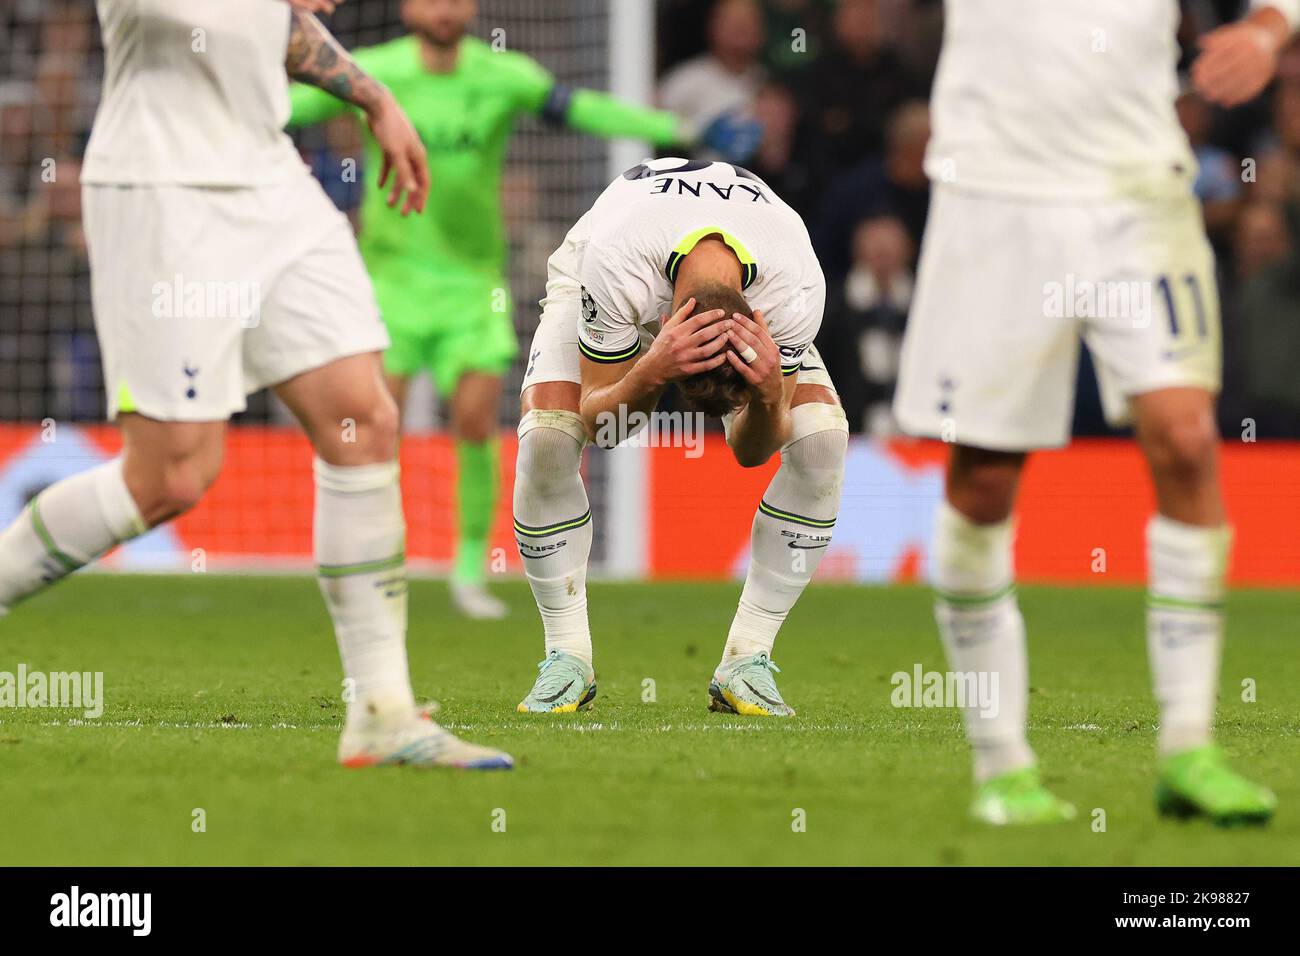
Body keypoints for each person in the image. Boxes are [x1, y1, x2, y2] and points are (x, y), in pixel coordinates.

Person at [0, 0, 511, 771]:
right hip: (161, 188)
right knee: (170, 477)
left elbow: (272, 28)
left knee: (363, 418)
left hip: (272, 179)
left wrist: (373, 96)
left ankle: (382, 711)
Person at [892, 0, 1296, 825]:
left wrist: (1269, 26)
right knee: (985, 480)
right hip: (995, 196)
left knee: (1187, 441)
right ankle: (1002, 766)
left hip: (1138, 192)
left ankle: (1188, 747)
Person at [288, 0, 760, 620]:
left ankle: (466, 572)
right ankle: (380, 562)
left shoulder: (500, 74)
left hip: (472, 285)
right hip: (391, 282)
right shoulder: (372, 72)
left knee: (476, 420)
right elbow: (293, 107)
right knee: (377, 426)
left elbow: (582, 110)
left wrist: (679, 131)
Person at [512, 157, 848, 716]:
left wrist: (767, 394)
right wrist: (651, 371)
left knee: (821, 442)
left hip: (747, 273)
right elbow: (604, 427)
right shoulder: (618, 261)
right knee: (549, 436)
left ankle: (747, 661)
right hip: (601, 260)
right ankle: (567, 658)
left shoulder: (795, 291)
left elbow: (749, 451)